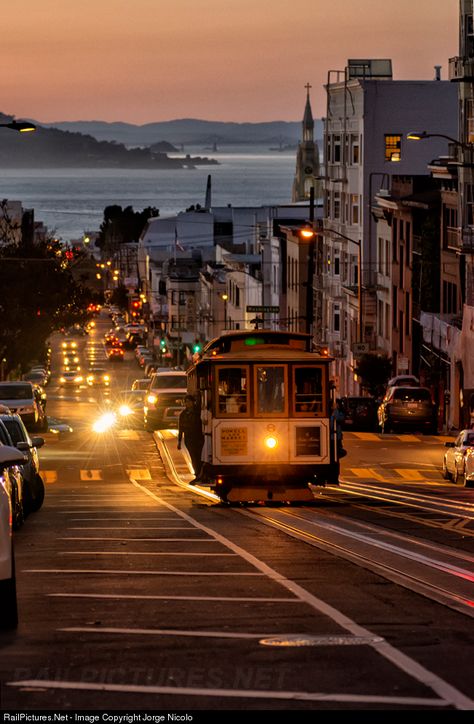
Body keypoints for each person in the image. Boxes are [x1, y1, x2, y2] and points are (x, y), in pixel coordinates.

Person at [177, 394, 204, 483]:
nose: (188, 404)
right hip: (189, 439)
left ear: (193, 402)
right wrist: (179, 441)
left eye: (189, 401)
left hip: (198, 437)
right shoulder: (183, 414)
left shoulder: (198, 413)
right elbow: (180, 428)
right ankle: (197, 474)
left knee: (199, 456)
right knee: (193, 456)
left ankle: (200, 474)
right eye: (186, 402)